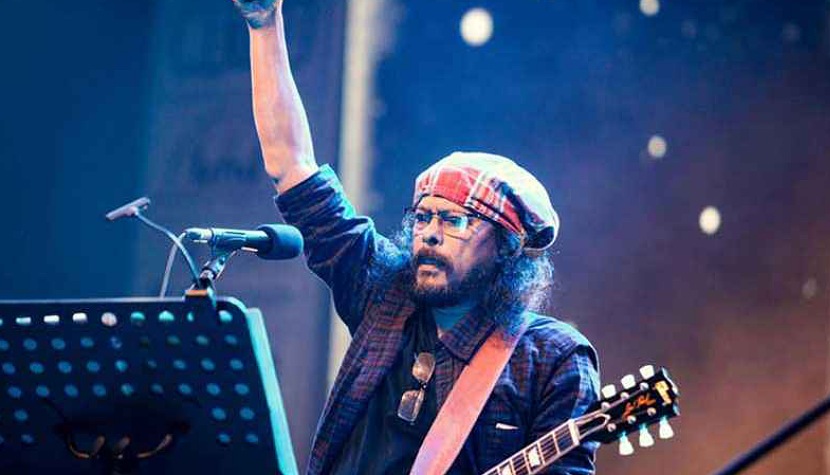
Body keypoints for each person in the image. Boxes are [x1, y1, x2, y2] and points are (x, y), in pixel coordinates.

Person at [230, 0, 601, 473]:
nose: (429, 235)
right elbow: (292, 168)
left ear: (507, 248)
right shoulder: (383, 294)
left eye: (454, 221)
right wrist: (265, 26)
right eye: (423, 217)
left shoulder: (553, 357)